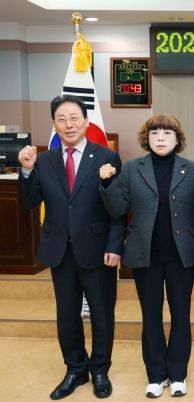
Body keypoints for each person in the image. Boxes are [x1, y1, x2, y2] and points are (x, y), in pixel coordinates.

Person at [17, 94, 126, 400]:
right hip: (60, 250)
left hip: (98, 249)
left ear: (86, 122)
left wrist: (115, 246)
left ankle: (100, 369)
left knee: (102, 313)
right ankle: (75, 369)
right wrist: (26, 170)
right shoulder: (44, 160)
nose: (68, 124)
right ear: (54, 125)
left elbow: (118, 209)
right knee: (66, 313)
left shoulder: (106, 157)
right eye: (61, 119)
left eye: (74, 118)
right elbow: (28, 202)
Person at [98, 113, 194, 398]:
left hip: (181, 256)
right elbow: (117, 209)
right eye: (155, 133)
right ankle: (156, 374)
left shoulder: (192, 169)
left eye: (167, 133)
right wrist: (107, 185)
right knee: (150, 316)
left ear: (177, 138)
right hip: (144, 254)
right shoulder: (132, 168)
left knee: (180, 315)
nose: (161, 138)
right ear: (146, 139)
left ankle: (178, 374)